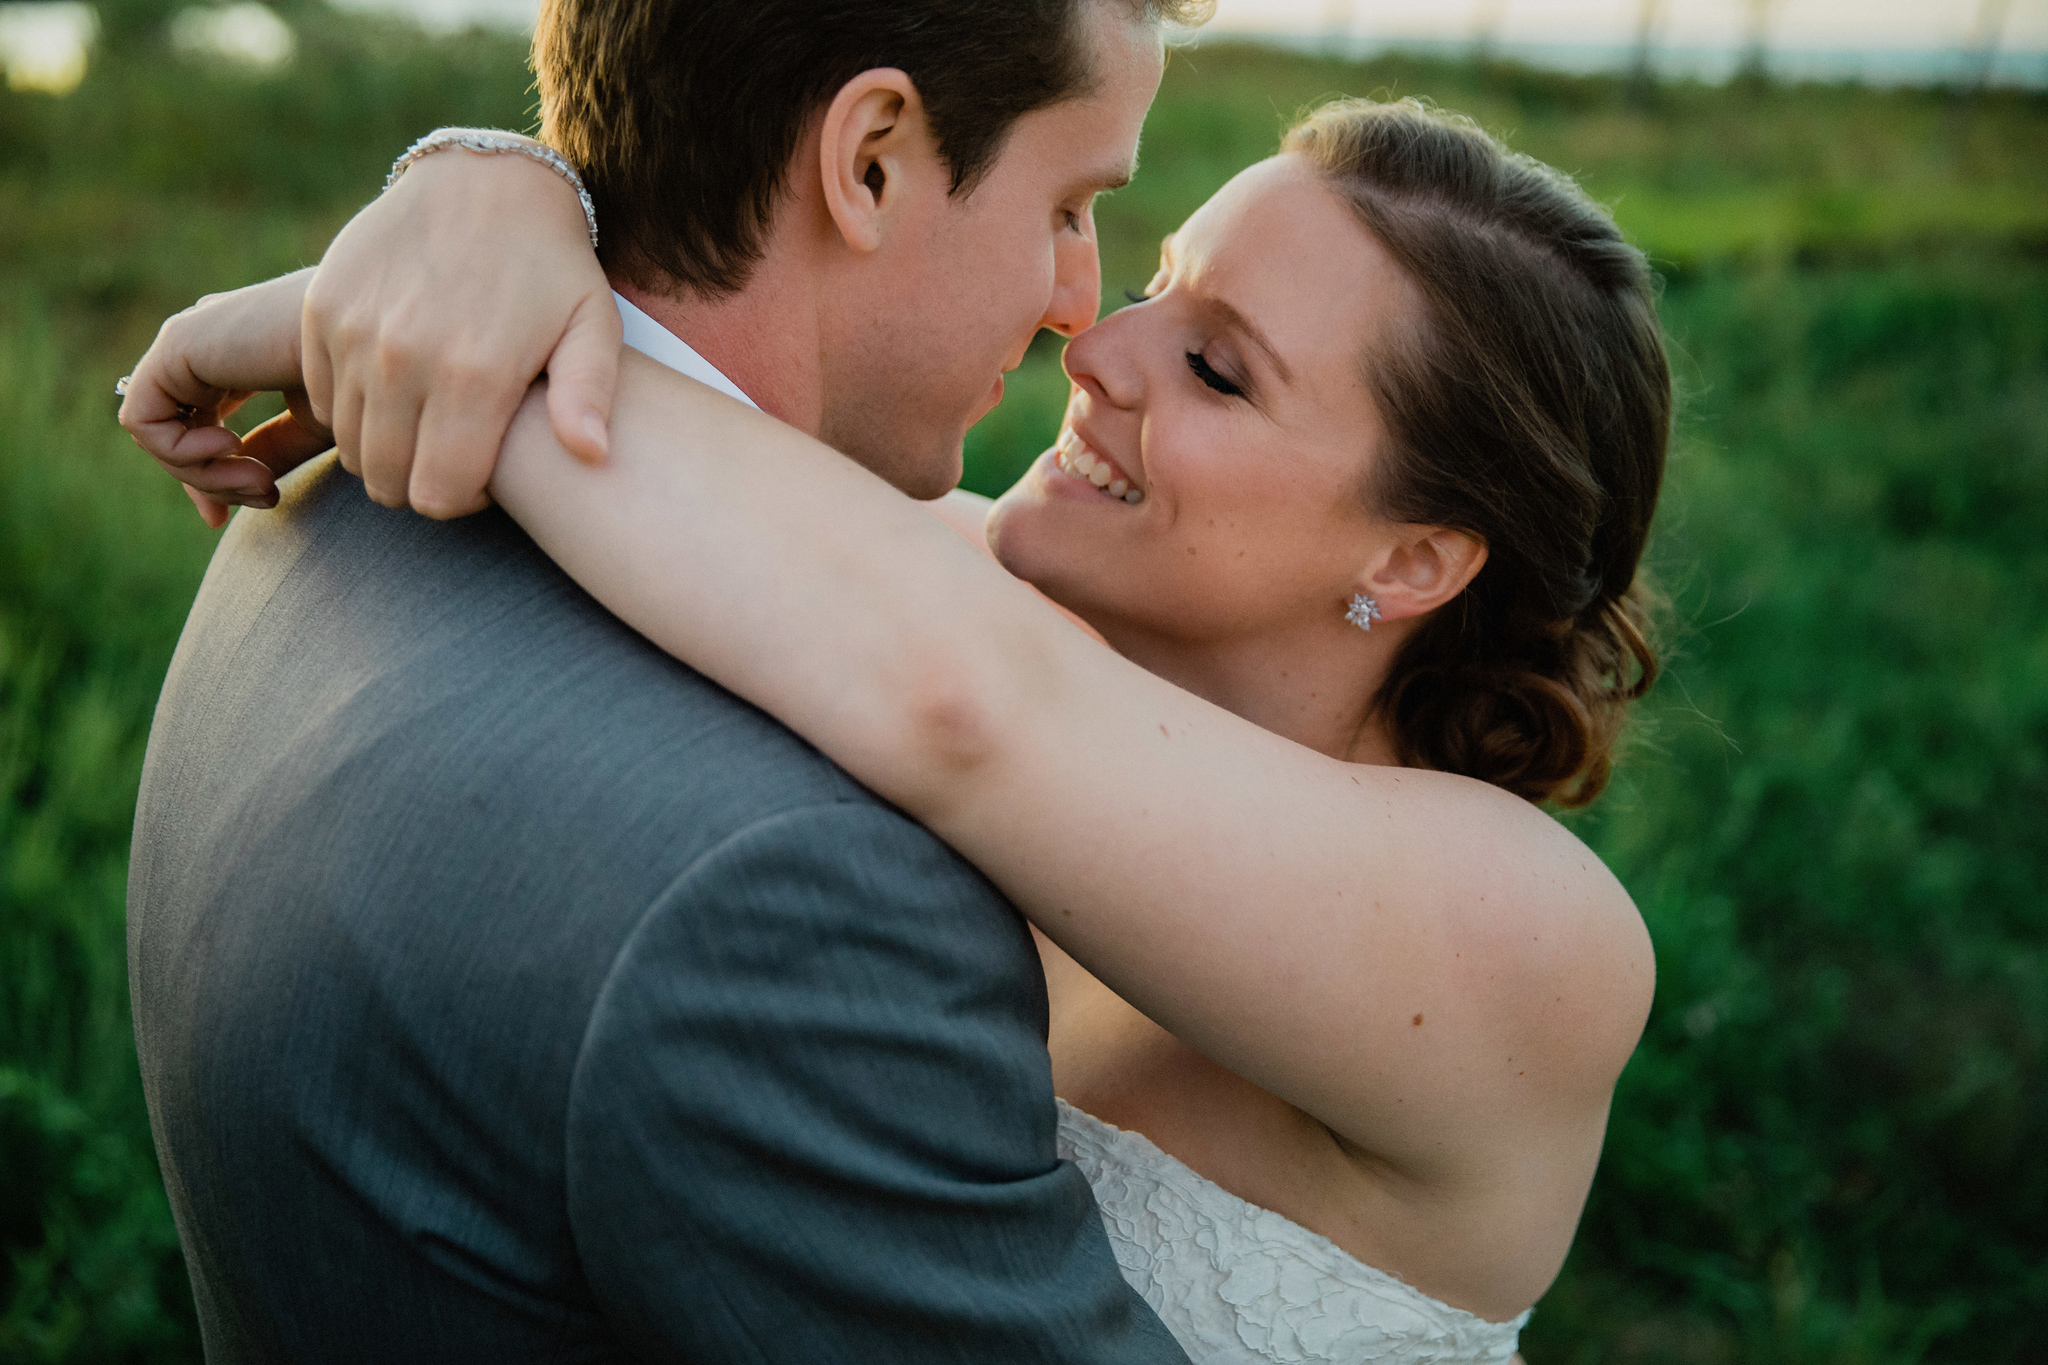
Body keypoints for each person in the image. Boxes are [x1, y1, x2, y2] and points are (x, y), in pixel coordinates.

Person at [126, 80, 1668, 1365]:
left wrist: (419, 335)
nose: (1098, 346)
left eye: (1215, 368)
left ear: (1411, 559)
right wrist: (489, 188)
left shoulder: (1530, 937)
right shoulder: (942, 586)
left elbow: (954, 695)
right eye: (1153, 284)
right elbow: (717, 390)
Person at [118, 1, 1205, 1361]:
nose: (1077, 302)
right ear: (868, 159)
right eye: (1068, 203)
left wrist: (474, 168)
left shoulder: (336, 486)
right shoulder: (792, 892)